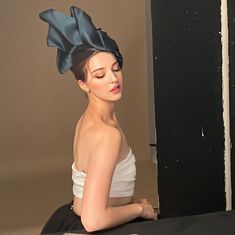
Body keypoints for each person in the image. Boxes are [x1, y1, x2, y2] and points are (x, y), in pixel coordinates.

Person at [39, 6, 156, 234]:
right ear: (82, 83)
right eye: (100, 75)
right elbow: (93, 221)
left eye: (116, 68)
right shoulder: (107, 134)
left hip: (70, 215)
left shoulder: (87, 119)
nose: (113, 79)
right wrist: (138, 209)